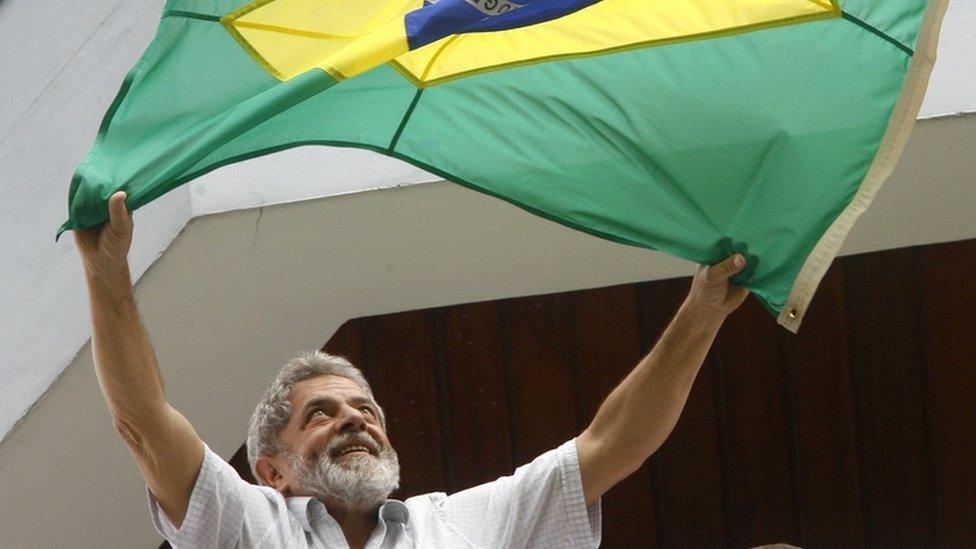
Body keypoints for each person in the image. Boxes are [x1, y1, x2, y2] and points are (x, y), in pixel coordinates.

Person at [76, 191, 748, 548]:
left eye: (365, 410)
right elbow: (142, 421)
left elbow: (612, 444)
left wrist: (701, 315)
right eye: (322, 412)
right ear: (270, 470)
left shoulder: (465, 525)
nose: (355, 420)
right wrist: (106, 275)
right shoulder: (246, 526)